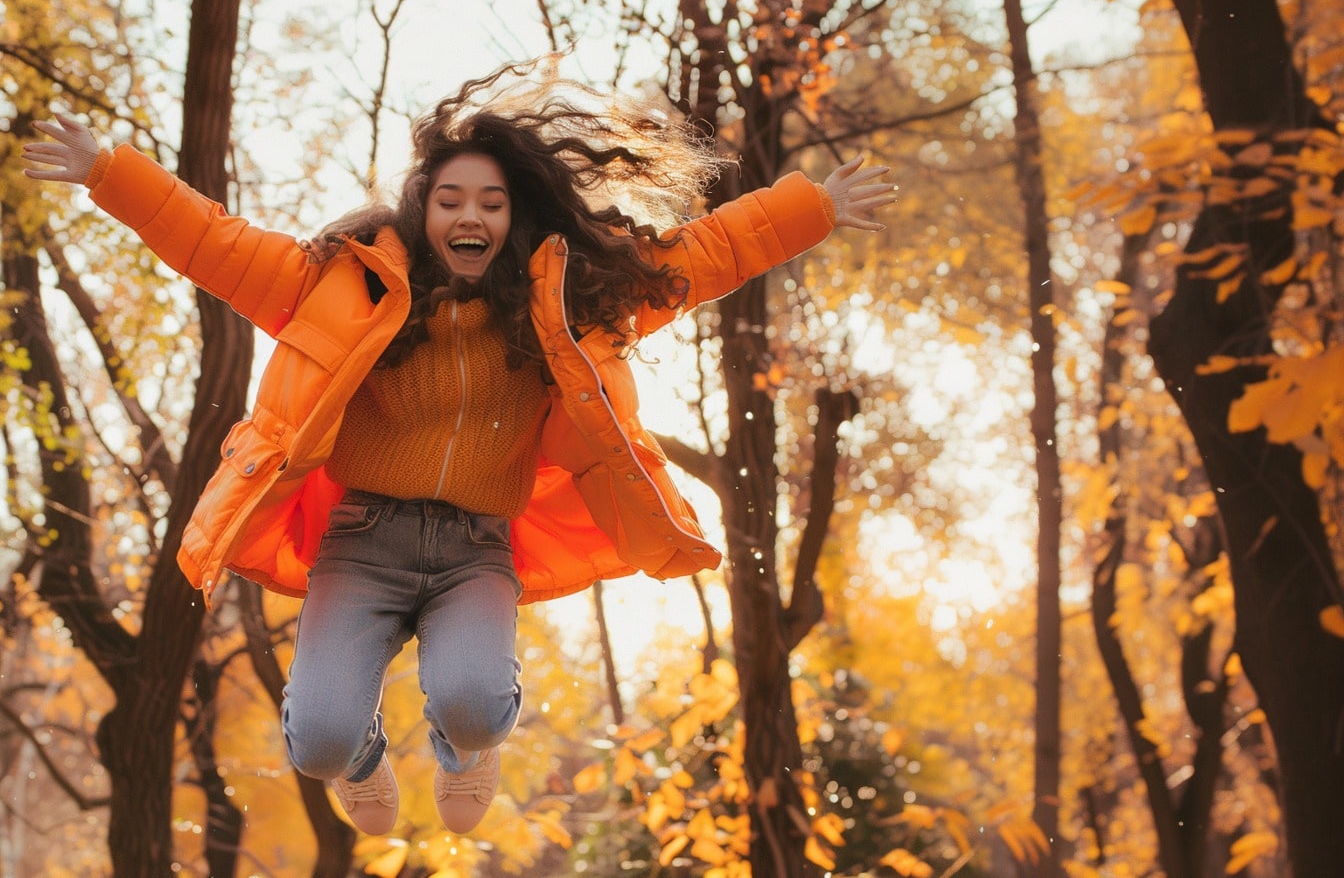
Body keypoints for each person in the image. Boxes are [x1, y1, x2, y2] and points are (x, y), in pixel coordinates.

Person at [22, 63, 895, 837]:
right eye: (449, 202)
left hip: (477, 550)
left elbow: (694, 259)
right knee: (320, 741)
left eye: (489, 202)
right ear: (421, 210)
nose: (468, 216)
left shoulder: (572, 298)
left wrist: (813, 206)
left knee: (477, 710)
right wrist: (107, 170)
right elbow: (212, 243)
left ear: (515, 215)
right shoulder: (339, 283)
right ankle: (363, 760)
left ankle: (460, 749)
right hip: (362, 544)